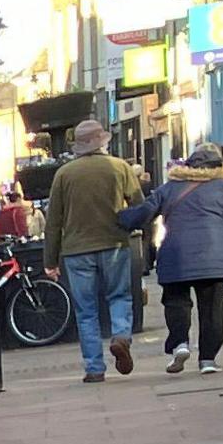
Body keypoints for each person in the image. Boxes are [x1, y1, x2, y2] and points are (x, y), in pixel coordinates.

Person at [130, 143, 223, 375]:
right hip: (214, 257)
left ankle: (180, 343)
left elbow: (143, 213)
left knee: (176, 301)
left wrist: (117, 219)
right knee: (211, 308)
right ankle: (207, 360)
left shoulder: (170, 188)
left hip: (175, 256)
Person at [46, 119, 146, 382]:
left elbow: (53, 221)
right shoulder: (119, 167)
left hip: (76, 250)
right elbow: (139, 205)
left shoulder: (64, 175)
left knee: (86, 310)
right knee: (119, 296)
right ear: (102, 141)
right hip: (114, 243)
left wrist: (50, 260)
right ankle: (121, 336)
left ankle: (94, 368)